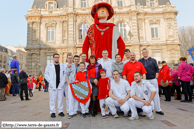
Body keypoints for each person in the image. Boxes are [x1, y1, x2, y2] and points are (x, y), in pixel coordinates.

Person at [139, 48, 164, 115]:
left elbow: (157, 70)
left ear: (148, 52)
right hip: (144, 80)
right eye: (143, 52)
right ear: (142, 53)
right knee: (146, 95)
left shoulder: (153, 60)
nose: (145, 53)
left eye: (146, 52)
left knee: (155, 94)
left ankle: (158, 109)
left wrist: (156, 78)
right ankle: (151, 108)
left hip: (153, 79)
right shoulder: (140, 61)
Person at [44, 53, 66, 118]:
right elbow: (46, 74)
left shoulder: (62, 65)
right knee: (52, 100)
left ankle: (60, 111)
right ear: (53, 58)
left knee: (60, 99)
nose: (57, 58)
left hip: (60, 85)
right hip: (52, 85)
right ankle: (52, 112)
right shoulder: (49, 66)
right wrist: (50, 81)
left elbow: (65, 74)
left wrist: (62, 82)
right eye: (56, 57)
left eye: (58, 57)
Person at [65, 52, 78, 119]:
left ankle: (75, 111)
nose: (70, 59)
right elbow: (66, 76)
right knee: (70, 98)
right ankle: (70, 112)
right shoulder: (67, 66)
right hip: (70, 84)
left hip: (76, 83)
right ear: (67, 59)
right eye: (69, 58)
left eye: (71, 58)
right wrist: (69, 84)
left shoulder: (74, 65)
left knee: (76, 98)